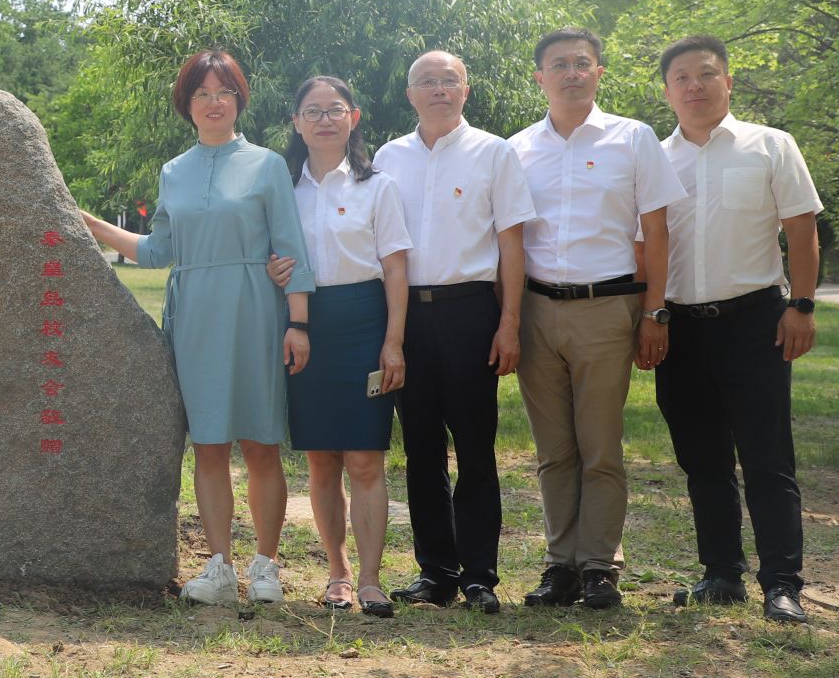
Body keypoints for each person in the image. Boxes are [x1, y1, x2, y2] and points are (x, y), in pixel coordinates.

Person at [81, 50, 313, 606]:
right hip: (193, 316)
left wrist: (298, 322)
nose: (214, 102)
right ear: (186, 104)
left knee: (261, 443)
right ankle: (219, 567)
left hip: (256, 310)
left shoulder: (266, 165)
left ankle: (266, 566)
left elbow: (291, 248)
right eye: (203, 93)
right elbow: (158, 250)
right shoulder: (173, 171)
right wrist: (90, 225)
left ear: (239, 100)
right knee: (208, 444)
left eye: (224, 92)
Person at [509, 27, 686, 610]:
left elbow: (657, 232)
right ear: (540, 77)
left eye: (581, 63)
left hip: (608, 308)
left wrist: (655, 311)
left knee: (600, 446)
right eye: (559, 65)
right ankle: (560, 565)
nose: (571, 73)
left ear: (599, 72)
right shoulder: (516, 149)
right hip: (537, 309)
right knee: (554, 449)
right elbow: (508, 240)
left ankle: (598, 567)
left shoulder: (633, 138)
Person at [653, 35, 822, 623]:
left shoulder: (770, 145)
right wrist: (651, 317)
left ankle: (782, 582)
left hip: (756, 322)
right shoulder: (655, 159)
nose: (694, 85)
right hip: (681, 328)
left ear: (728, 81)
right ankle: (722, 573)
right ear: (668, 91)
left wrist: (802, 305)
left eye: (705, 74)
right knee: (702, 460)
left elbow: (802, 232)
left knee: (767, 457)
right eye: (681, 77)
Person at [371, 51, 538, 614]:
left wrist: (510, 322)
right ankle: (436, 573)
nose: (438, 89)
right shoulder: (388, 157)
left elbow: (511, 245)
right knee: (421, 450)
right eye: (427, 81)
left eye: (449, 80)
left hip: (471, 312)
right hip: (407, 316)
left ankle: (479, 576)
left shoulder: (494, 152)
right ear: (410, 93)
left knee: (475, 447)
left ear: (466, 90)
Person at [270, 76, 410, 617]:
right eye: (313, 111)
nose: (324, 119)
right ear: (296, 122)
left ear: (353, 118)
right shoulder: (282, 189)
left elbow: (395, 269)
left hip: (364, 323)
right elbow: (267, 255)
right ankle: (338, 574)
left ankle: (372, 580)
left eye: (335, 110)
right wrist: (271, 269)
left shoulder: (379, 187)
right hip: (304, 324)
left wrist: (393, 342)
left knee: (365, 458)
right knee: (322, 458)